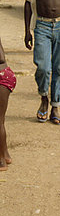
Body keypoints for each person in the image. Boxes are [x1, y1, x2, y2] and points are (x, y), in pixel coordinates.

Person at [0, 38, 16, 171]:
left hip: (1, 77)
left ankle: (0, 161)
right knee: (1, 120)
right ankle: (5, 155)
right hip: (5, 75)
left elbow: (0, 57)